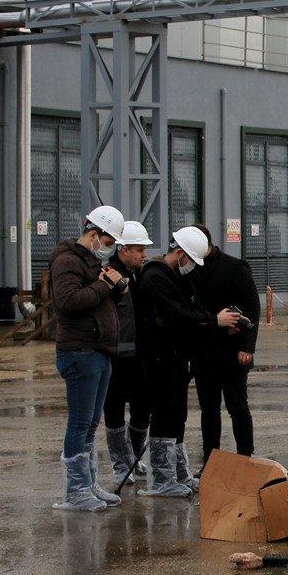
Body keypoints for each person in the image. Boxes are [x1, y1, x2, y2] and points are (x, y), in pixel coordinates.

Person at [135, 226, 240, 497]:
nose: (191, 267)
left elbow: (190, 308)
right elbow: (177, 314)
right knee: (164, 415)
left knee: (178, 415)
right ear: (179, 253)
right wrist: (212, 320)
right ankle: (161, 478)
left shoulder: (173, 276)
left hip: (177, 358)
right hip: (159, 358)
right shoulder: (154, 278)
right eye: (190, 261)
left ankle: (178, 472)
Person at [49, 205, 127, 511]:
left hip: (98, 350)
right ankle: (75, 490)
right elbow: (68, 301)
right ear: (94, 234)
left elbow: (98, 295)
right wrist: (104, 284)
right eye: (108, 243)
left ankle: (88, 482)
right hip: (79, 350)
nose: (110, 249)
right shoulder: (67, 260)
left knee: (92, 423)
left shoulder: (90, 261)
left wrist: (117, 288)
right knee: (80, 422)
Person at [188, 223, 260, 464]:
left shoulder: (235, 268)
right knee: (209, 411)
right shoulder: (191, 270)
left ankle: (245, 458)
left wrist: (247, 347)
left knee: (237, 406)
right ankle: (211, 461)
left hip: (232, 352)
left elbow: (253, 308)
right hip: (203, 353)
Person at [102, 220, 153, 486]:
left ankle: (133, 455)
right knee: (114, 408)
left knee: (142, 408)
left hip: (139, 355)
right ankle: (120, 464)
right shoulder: (110, 274)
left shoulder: (139, 274)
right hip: (116, 356)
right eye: (139, 249)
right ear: (123, 249)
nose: (143, 254)